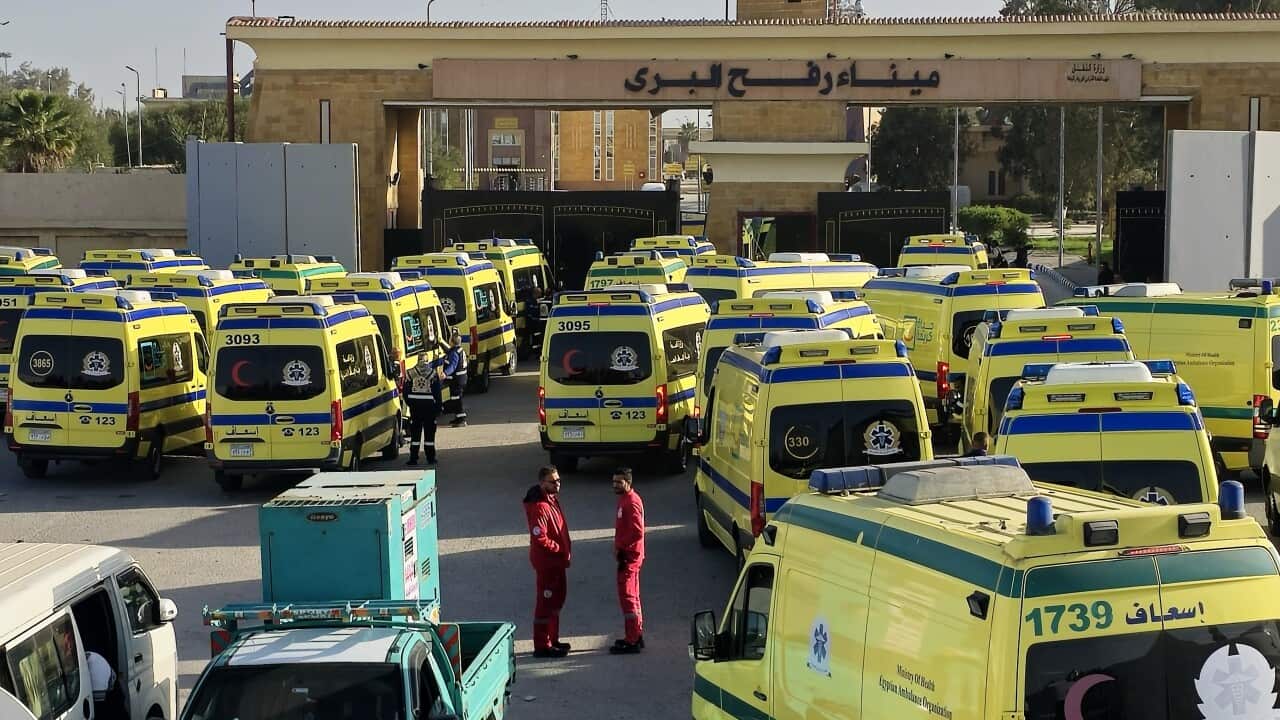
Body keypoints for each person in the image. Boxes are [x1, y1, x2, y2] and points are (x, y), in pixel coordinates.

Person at [524, 465, 572, 658]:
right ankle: (542, 645)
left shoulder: (552, 500)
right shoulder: (540, 508)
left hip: (557, 563)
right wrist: (559, 549)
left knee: (556, 601)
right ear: (542, 483)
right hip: (548, 563)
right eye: (553, 481)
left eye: (559, 480)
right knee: (546, 603)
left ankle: (553, 639)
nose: (558, 484)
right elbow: (540, 537)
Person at [610, 467, 646, 655]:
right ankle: (636, 634)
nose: (615, 485)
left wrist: (620, 547)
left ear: (628, 482)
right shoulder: (625, 499)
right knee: (633, 596)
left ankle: (632, 639)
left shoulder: (631, 502)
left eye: (619, 482)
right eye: (614, 481)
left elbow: (637, 531)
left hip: (629, 557)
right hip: (630, 555)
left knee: (628, 598)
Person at [405, 363, 442, 465]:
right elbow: (437, 393)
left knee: (415, 434)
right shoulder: (433, 374)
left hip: (415, 407)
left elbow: (405, 391)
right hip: (429, 407)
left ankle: (413, 458)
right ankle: (430, 458)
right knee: (429, 434)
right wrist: (438, 408)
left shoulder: (410, 373)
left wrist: (410, 403)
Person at [443, 332, 468, 428]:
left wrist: (445, 374)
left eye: (449, 339)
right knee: (456, 398)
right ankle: (458, 417)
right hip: (461, 378)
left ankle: (461, 419)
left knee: (456, 399)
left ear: (452, 342)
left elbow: (452, 366)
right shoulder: (460, 350)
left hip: (456, 380)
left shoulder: (454, 353)